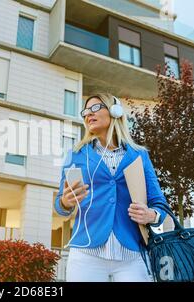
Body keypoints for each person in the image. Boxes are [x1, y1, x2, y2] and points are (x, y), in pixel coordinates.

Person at [54, 93, 169, 282]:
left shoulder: (139, 155)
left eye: (95, 108)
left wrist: (152, 215)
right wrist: (66, 202)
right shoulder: (75, 155)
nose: (88, 114)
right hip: (86, 252)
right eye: (85, 111)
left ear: (115, 111)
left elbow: (159, 203)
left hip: (131, 253)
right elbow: (60, 206)